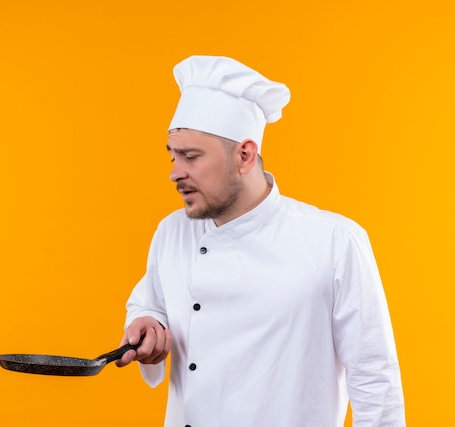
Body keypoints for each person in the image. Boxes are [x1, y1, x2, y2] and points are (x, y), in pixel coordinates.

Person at [116, 55, 405, 427]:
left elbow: (374, 378)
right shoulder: (171, 231)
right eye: (172, 156)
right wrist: (147, 320)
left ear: (245, 155)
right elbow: (150, 299)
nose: (175, 173)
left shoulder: (334, 241)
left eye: (190, 157)